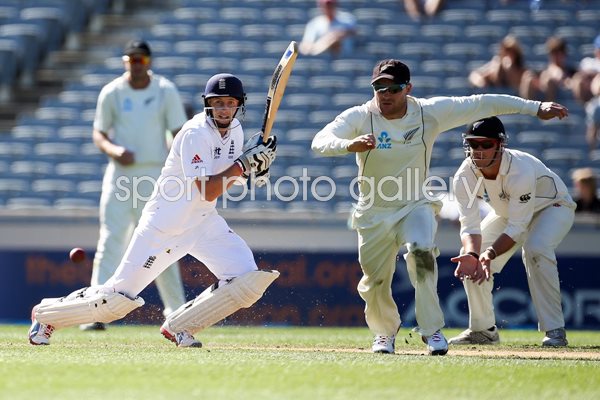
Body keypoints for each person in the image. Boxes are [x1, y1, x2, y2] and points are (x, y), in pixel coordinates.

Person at [311, 59, 568, 356]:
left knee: (421, 255)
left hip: (414, 205)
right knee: (375, 280)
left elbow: (481, 103)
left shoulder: (428, 113)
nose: (385, 94)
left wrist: (535, 108)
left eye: (393, 88)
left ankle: (432, 331)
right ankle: (384, 334)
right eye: (379, 87)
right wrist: (349, 144)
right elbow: (320, 140)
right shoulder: (360, 116)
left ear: (408, 88)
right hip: (373, 211)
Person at [28, 73, 280, 347]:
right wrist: (244, 165)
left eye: (229, 102)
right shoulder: (194, 133)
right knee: (114, 301)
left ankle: (180, 327)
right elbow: (207, 188)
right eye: (217, 102)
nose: (223, 109)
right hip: (164, 226)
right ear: (207, 104)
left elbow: (225, 177)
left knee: (247, 280)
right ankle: (46, 315)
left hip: (202, 222)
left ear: (239, 104)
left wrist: (254, 171)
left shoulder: (236, 132)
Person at [82, 40, 188, 331]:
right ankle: (95, 312)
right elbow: (99, 133)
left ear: (149, 62)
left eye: (140, 60)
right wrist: (115, 151)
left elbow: (179, 132)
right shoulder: (112, 92)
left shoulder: (165, 90)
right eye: (130, 60)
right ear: (124, 62)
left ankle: (176, 313)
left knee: (161, 242)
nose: (135, 65)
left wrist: (180, 167)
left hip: (154, 175)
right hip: (119, 175)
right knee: (111, 240)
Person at [449, 116, 576, 347]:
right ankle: (483, 330)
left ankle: (554, 330)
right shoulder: (464, 176)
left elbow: (518, 228)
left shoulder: (520, 170)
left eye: (486, 144)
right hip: (509, 213)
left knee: (536, 248)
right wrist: (474, 255)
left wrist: (489, 254)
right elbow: (469, 225)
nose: (479, 151)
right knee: (470, 258)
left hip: (552, 207)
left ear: (500, 145)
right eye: (473, 144)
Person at [469, 35, 536, 100]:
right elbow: (475, 76)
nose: (509, 54)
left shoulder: (522, 70)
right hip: (497, 98)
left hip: (516, 99)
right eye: (507, 50)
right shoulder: (497, 64)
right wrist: (482, 83)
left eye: (512, 51)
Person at [531, 36, 577, 102]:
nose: (556, 57)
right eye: (553, 53)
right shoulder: (542, 72)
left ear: (564, 54)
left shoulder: (572, 72)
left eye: (559, 53)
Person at [571, 34, 600, 105]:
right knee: (577, 79)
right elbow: (581, 74)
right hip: (587, 91)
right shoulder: (588, 61)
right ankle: (580, 106)